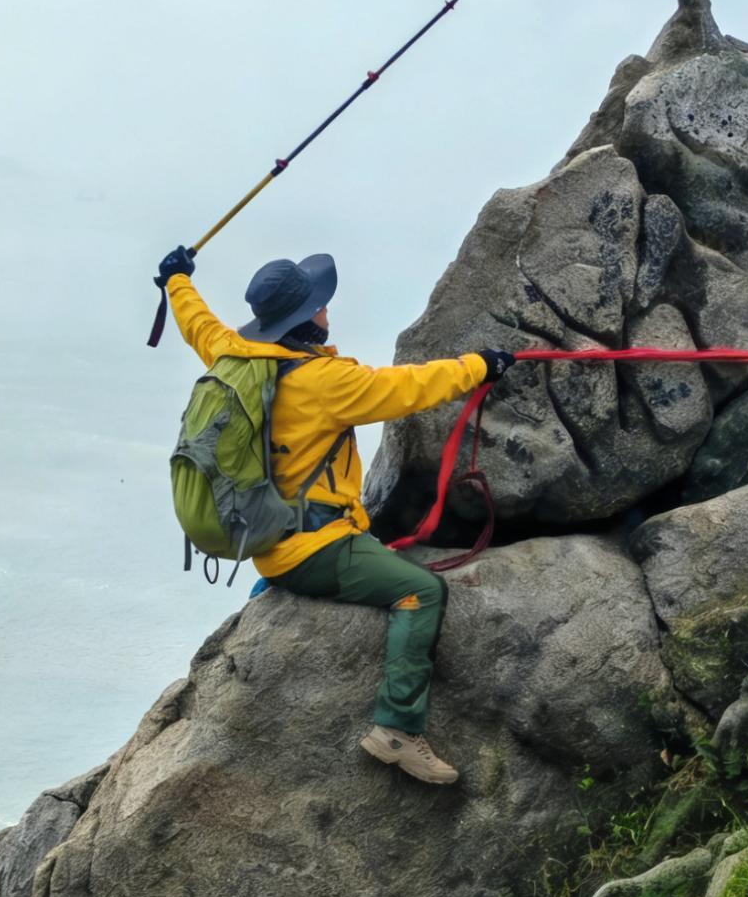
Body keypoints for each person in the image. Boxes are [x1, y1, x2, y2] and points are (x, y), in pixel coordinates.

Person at [155, 243, 513, 786]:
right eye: (321, 305)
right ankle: (395, 730)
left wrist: (176, 281)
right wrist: (482, 365)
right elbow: (409, 388)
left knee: (376, 548)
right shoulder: (325, 383)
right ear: (307, 320)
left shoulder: (237, 359)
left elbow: (199, 325)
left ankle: (268, 600)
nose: (327, 311)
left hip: (270, 542)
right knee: (422, 591)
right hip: (315, 548)